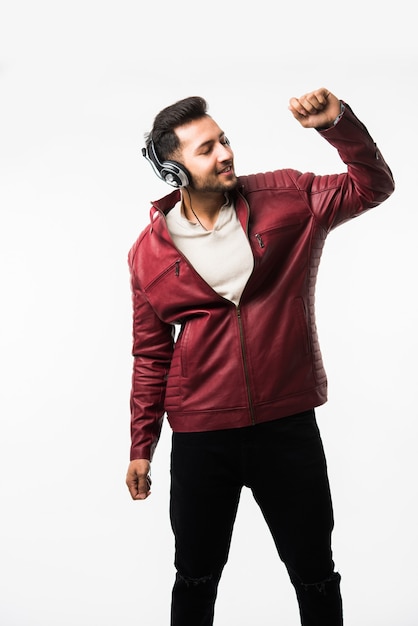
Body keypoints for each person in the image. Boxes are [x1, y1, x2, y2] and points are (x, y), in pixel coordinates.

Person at [125, 87, 394, 626]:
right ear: (173, 169)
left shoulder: (289, 198)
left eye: (223, 140)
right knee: (195, 579)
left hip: (286, 426)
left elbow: (373, 186)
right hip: (202, 436)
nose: (225, 153)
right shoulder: (148, 251)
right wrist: (141, 445)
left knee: (316, 576)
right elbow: (150, 354)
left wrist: (336, 124)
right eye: (205, 149)